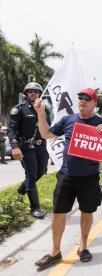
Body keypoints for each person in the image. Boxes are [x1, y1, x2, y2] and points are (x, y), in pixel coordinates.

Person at [33, 88, 102, 268]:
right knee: (58, 214)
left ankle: (83, 247)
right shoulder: (68, 120)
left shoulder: (101, 123)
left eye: (87, 98)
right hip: (66, 176)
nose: (82, 100)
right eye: (80, 97)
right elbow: (46, 135)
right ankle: (55, 252)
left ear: (94, 104)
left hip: (89, 177)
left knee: (86, 212)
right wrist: (40, 113)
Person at [7, 82, 51, 218]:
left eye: (36, 92)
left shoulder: (45, 109)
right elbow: (11, 129)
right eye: (30, 91)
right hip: (26, 147)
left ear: (39, 94)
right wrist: (15, 147)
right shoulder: (19, 109)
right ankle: (35, 208)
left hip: (41, 146)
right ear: (26, 94)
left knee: (41, 172)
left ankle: (18, 194)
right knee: (31, 175)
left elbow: (47, 128)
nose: (33, 93)